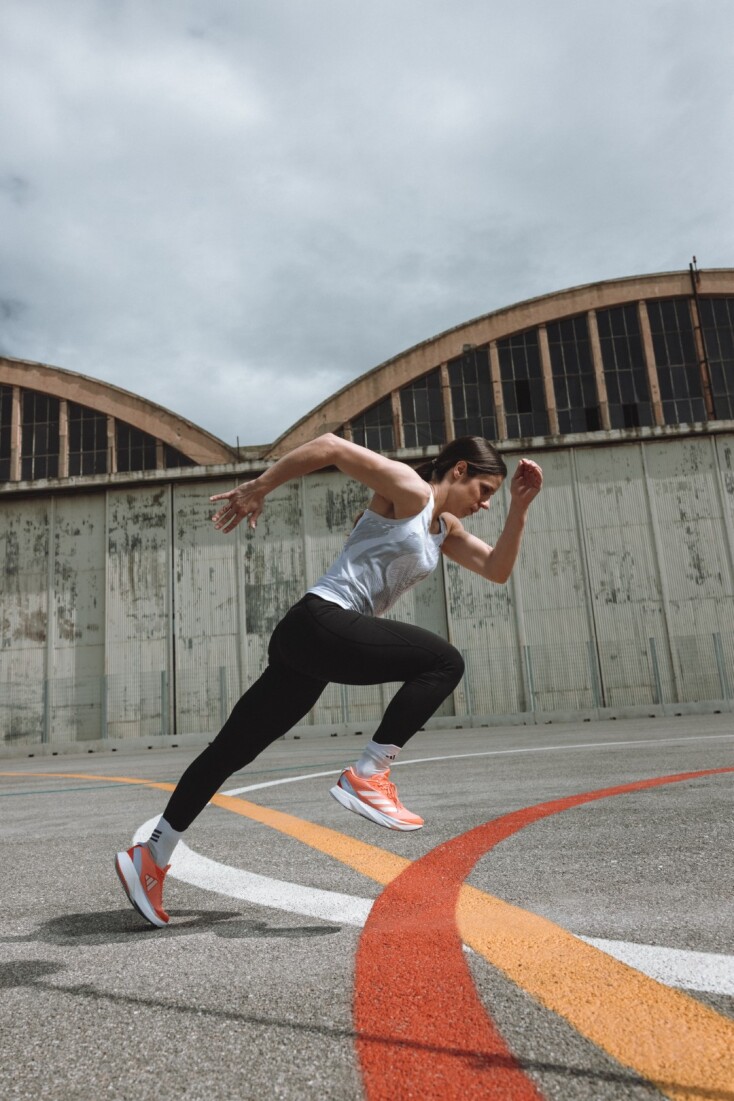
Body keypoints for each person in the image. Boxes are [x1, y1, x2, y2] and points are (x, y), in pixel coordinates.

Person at [115, 433, 542, 927]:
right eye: (484, 491)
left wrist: (519, 507)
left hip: (310, 642)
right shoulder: (411, 490)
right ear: (460, 470)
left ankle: (151, 855)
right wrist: (259, 486)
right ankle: (369, 774)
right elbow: (332, 446)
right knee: (443, 662)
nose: (485, 503)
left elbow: (497, 569)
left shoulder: (442, 528)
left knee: (230, 752)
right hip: (322, 621)